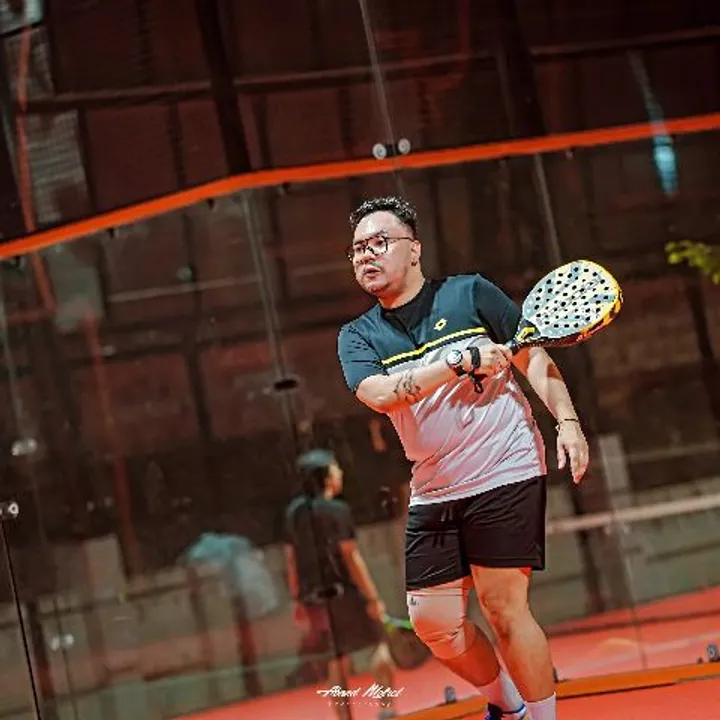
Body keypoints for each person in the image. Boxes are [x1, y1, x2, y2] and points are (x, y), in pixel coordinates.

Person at [336, 197, 590, 720]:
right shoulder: (357, 336)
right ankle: (509, 706)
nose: (366, 255)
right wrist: (457, 362)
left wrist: (567, 422)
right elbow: (379, 394)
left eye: (379, 243)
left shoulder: (470, 293)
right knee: (433, 624)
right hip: (434, 486)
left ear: (414, 250)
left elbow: (533, 358)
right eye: (358, 249)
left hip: (505, 467)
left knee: (503, 607)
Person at [284, 449, 397, 720]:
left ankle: (344, 717)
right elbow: (351, 556)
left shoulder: (294, 514)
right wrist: (373, 598)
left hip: (315, 599)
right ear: (325, 477)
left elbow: (291, 558)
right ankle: (387, 709)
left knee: (336, 660)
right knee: (378, 645)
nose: (340, 473)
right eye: (336, 468)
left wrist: (297, 598)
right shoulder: (338, 511)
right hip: (346, 594)